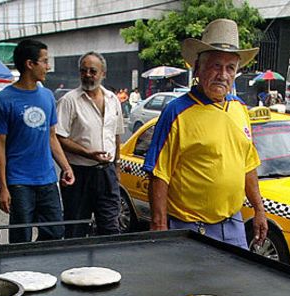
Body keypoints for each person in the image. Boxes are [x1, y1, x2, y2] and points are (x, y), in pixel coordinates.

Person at [143, 18, 267, 250]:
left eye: (230, 68)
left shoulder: (239, 108)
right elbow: (159, 175)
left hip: (233, 225)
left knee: (232, 287)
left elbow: (248, 165)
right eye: (215, 66)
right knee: (190, 287)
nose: (223, 74)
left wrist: (259, 209)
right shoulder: (176, 112)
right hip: (190, 229)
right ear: (198, 69)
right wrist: (159, 228)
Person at [0, 38, 75, 243]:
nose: (48, 67)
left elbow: (51, 136)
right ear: (30, 64)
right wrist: (3, 187)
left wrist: (65, 167)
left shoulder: (47, 96)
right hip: (19, 182)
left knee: (55, 233)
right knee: (21, 238)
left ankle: (42, 270)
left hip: (47, 179)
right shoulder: (4, 100)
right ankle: (22, 273)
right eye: (44, 61)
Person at [56, 52, 125, 238]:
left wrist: (116, 166)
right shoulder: (69, 101)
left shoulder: (112, 100)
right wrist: (88, 153)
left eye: (93, 71)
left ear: (103, 73)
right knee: (76, 229)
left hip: (107, 174)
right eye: (83, 71)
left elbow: (116, 134)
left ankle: (107, 266)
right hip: (78, 174)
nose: (87, 75)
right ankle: (76, 266)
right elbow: (58, 138)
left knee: (111, 228)